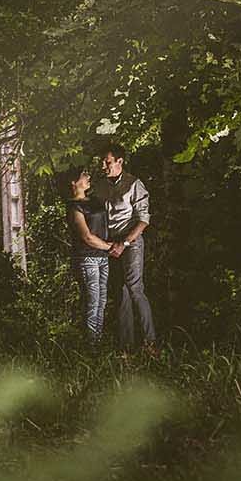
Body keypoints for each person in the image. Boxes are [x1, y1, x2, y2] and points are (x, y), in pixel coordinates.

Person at [98, 143, 155, 349]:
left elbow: (143, 220)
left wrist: (125, 243)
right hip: (110, 244)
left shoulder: (134, 184)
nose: (103, 166)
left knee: (135, 288)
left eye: (107, 162)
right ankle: (126, 347)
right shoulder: (100, 186)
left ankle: (150, 343)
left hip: (131, 242)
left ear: (120, 161)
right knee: (120, 292)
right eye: (102, 162)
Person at [66, 168, 112, 344]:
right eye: (83, 176)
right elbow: (86, 237)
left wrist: (107, 249)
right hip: (87, 258)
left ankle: (97, 340)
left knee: (102, 301)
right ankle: (91, 344)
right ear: (73, 183)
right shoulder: (74, 207)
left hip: (102, 257)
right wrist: (110, 247)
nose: (87, 177)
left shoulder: (94, 201)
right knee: (92, 301)